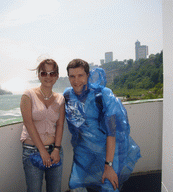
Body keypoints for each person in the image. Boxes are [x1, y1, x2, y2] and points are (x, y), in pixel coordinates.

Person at [63, 59, 141, 192]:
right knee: (75, 184)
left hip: (108, 149)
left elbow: (112, 132)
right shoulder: (68, 95)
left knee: (109, 186)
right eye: (72, 76)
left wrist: (108, 166)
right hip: (84, 149)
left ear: (88, 75)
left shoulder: (103, 95)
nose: (76, 81)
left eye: (80, 75)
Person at [20, 59, 65, 192]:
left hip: (54, 152)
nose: (48, 77)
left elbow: (60, 125)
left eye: (52, 73)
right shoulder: (28, 95)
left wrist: (56, 149)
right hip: (32, 152)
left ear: (57, 76)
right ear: (39, 75)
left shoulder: (60, 99)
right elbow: (28, 123)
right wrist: (42, 151)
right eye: (44, 73)